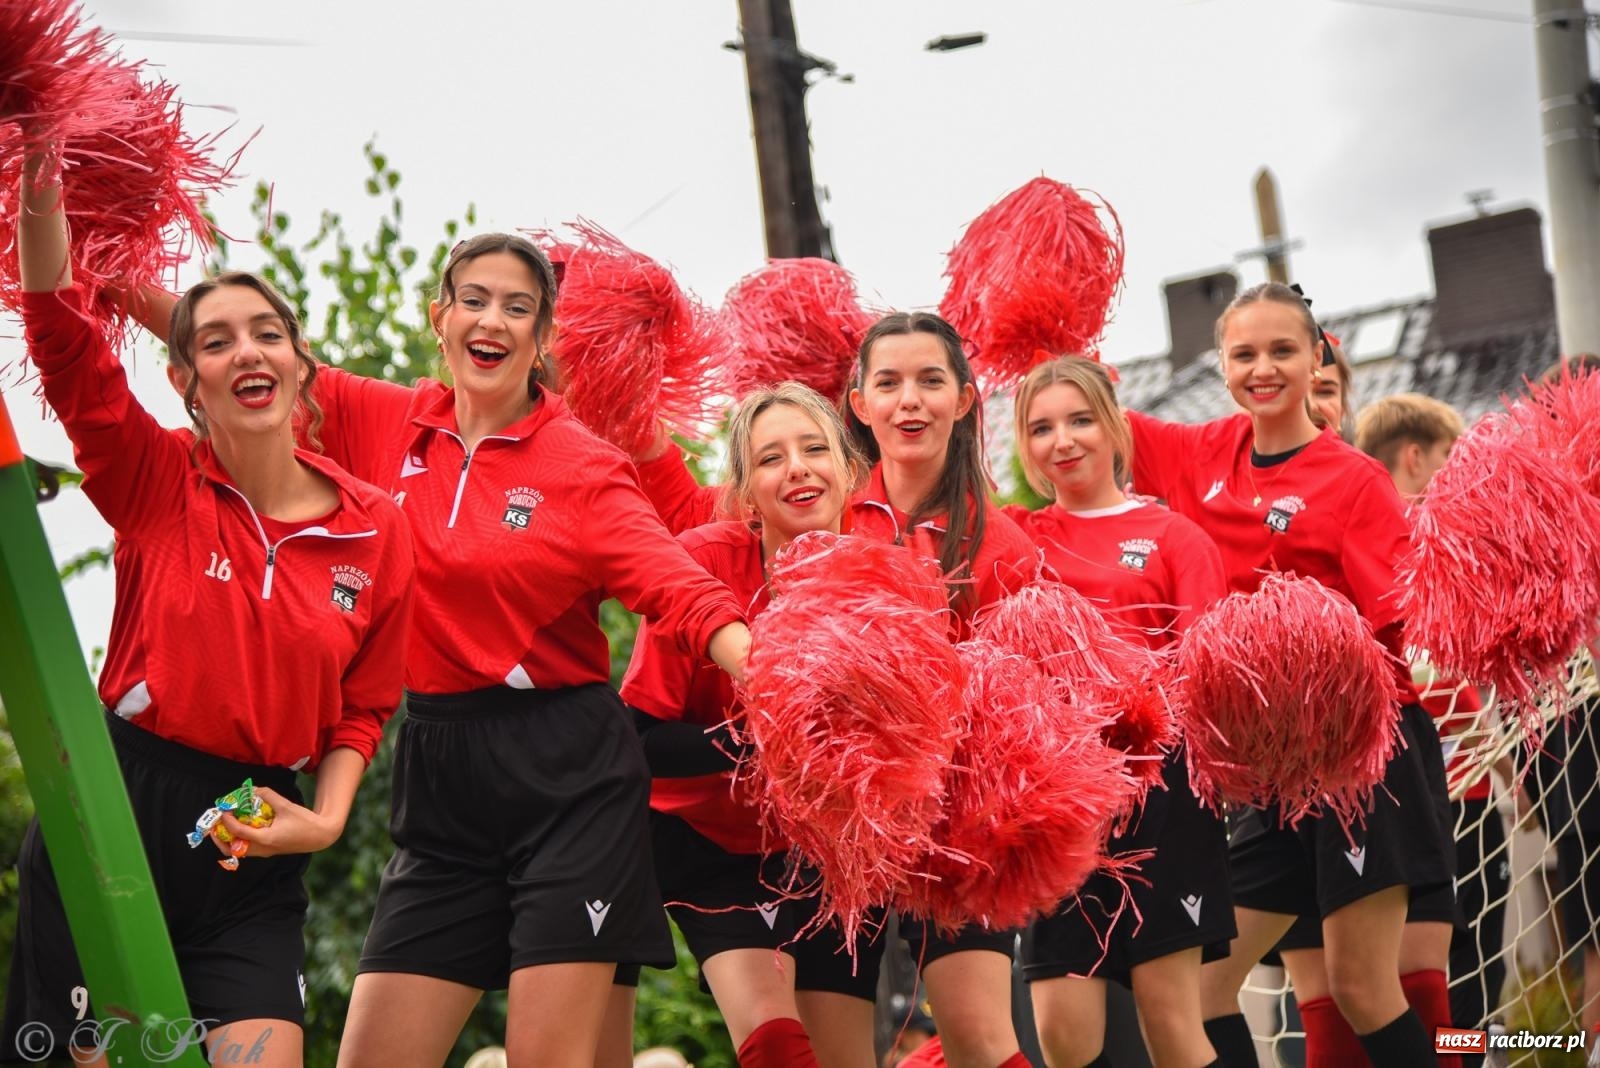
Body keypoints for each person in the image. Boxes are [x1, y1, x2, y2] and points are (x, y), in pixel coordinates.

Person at [179, 231, 754, 1068]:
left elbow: (682, 590)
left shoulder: (585, 468)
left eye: (518, 307)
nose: (494, 320)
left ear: (543, 337)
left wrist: (776, 676)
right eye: (475, 299)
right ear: (439, 318)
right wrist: (94, 275)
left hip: (572, 780)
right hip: (442, 771)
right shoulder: (383, 420)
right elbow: (237, 352)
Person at [1, 149, 415, 1068]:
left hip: (252, 843)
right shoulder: (154, 481)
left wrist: (328, 818)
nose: (245, 350)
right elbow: (63, 338)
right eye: (215, 340)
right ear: (188, 382)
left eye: (266, 331)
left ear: (302, 365)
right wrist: (39, 164)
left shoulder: (375, 529)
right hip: (113, 809)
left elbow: (364, 706)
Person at [634, 312, 1037, 1068]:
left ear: (966, 397)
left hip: (928, 832)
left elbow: (1019, 710)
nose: (909, 401)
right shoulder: (764, 540)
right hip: (747, 845)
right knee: (787, 1048)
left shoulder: (991, 546)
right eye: (888, 382)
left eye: (929, 381)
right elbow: (642, 724)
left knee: (981, 1038)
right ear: (860, 402)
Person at [1126, 282, 1455, 1067]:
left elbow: (1396, 628)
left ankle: (1527, 1046)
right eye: (1244, 353)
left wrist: (1309, 651)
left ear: (1319, 359)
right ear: (1222, 362)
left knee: (1377, 988)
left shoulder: (1355, 481)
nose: (1263, 368)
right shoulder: (1202, 452)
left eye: (1283, 350)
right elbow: (1086, 405)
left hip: (1365, 756)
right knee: (1212, 990)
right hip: (1271, 769)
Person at [616, 382, 880, 1068]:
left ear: (848, 470)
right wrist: (761, 740)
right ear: (744, 492)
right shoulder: (702, 562)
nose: (796, 467)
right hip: (709, 843)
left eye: (814, 448)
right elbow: (637, 739)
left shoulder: (884, 578)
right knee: (777, 1046)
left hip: (833, 852)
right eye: (771, 458)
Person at [1004, 355, 1233, 1068]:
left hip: (1164, 793)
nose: (1062, 440)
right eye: (1041, 428)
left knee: (1171, 1021)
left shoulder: (1176, 537)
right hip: (1058, 801)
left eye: (1079, 421)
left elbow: (1204, 671)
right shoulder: (1018, 536)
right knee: (1064, 1036)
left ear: (1112, 427)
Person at [1356, 392, 1527, 1065]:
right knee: (1464, 964)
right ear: (1416, 457)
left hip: (1429, 791)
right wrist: (1505, 764)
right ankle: (1462, 1055)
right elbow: (1434, 679)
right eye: (1450, 458)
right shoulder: (1407, 544)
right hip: (1453, 796)